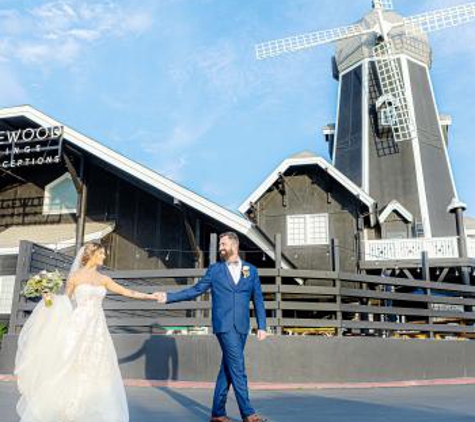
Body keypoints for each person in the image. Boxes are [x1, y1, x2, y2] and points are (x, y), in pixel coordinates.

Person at [14, 241, 160, 422]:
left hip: (97, 329)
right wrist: (46, 295)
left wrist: (151, 296)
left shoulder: (104, 279)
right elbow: (63, 303)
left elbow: (126, 292)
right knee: (71, 365)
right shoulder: (75, 277)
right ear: (91, 254)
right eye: (101, 254)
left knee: (97, 367)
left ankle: (92, 410)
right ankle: (66, 410)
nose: (104, 257)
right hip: (78, 325)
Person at [157, 232, 268, 422]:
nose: (220, 248)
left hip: (242, 326)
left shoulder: (251, 270)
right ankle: (248, 414)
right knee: (238, 368)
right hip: (224, 326)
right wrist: (169, 297)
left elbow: (257, 298)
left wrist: (262, 326)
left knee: (228, 369)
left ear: (234, 245)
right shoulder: (215, 270)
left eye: (223, 244)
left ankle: (217, 413)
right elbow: (196, 290)